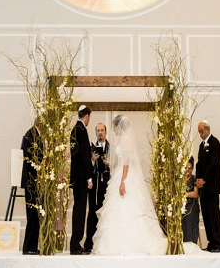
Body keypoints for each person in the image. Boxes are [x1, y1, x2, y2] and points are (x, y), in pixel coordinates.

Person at [92, 114, 166, 255]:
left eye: (113, 127)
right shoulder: (124, 140)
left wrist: (122, 182)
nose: (113, 130)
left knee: (127, 208)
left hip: (125, 176)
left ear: (118, 127)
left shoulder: (126, 140)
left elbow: (126, 164)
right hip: (121, 173)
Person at [196, 120, 220, 252]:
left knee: (213, 215)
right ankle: (211, 242)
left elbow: (214, 164)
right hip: (203, 188)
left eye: (201, 131)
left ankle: (218, 243)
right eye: (199, 132)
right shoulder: (201, 146)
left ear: (207, 130)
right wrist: (198, 179)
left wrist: (205, 179)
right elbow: (199, 164)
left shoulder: (214, 142)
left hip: (211, 187)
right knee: (206, 215)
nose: (200, 134)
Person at [69, 105, 93, 255]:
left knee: (78, 211)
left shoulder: (75, 130)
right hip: (81, 179)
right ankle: (75, 245)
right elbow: (84, 157)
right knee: (79, 212)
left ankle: (75, 244)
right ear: (87, 116)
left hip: (76, 179)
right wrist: (89, 177)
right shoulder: (81, 130)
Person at [83, 122, 110, 252]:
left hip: (106, 185)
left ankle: (104, 244)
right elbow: (87, 167)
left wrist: (108, 163)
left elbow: (116, 166)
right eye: (98, 130)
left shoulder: (111, 148)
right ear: (96, 133)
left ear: (106, 132)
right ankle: (89, 244)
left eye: (102, 130)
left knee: (105, 213)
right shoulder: (91, 148)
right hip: (94, 185)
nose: (100, 133)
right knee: (92, 212)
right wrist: (93, 160)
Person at [21, 118, 42, 255]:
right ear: (39, 124)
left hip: (34, 181)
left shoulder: (36, 135)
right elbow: (30, 159)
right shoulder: (30, 135)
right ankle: (28, 247)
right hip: (31, 181)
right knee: (32, 215)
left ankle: (32, 246)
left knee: (35, 215)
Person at [181, 156, 200, 243]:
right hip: (182, 207)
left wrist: (184, 194)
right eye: (186, 168)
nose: (188, 170)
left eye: (190, 168)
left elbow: (195, 194)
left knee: (191, 227)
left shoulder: (194, 179)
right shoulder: (179, 180)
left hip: (192, 208)